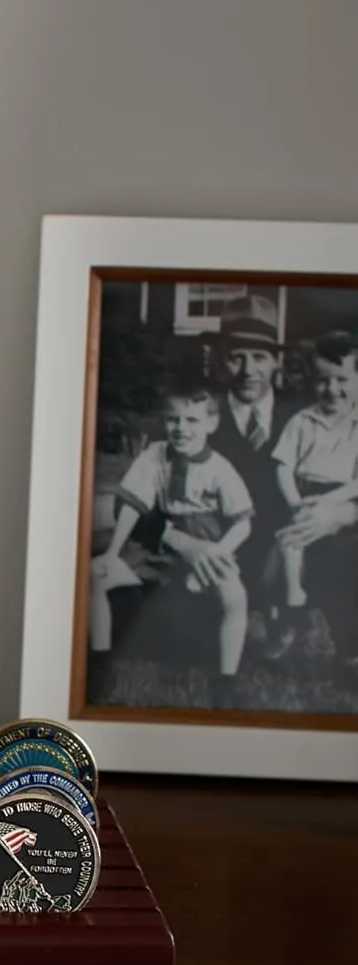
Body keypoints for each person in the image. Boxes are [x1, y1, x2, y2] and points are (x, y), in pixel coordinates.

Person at [89, 383, 254, 709]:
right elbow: (132, 507)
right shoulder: (154, 455)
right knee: (96, 574)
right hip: (155, 543)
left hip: (205, 544)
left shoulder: (220, 468)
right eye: (173, 419)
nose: (180, 429)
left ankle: (226, 680)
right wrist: (112, 552)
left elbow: (243, 522)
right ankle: (99, 662)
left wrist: (218, 553)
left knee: (236, 598)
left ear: (211, 423)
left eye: (192, 420)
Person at [266, 330, 358, 661]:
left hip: (343, 498)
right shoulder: (302, 421)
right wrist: (295, 502)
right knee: (291, 537)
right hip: (302, 494)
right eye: (322, 380)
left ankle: (348, 647)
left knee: (340, 560)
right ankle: (293, 603)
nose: (331, 389)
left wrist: (334, 503)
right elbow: (283, 467)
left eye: (342, 379)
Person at [208, 294, 300, 621]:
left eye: (259, 357)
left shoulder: (302, 416)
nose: (249, 371)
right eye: (237, 358)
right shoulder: (201, 417)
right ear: (220, 361)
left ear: (277, 361)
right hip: (222, 544)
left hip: (288, 548)